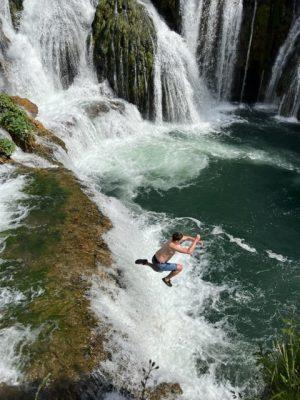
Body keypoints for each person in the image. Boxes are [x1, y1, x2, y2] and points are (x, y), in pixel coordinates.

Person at [135, 232, 203, 287]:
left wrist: (196, 241)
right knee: (179, 268)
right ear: (177, 240)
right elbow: (189, 251)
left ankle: (146, 262)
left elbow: (187, 237)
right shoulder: (173, 246)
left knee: (158, 269)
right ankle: (166, 279)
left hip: (154, 258)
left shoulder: (172, 239)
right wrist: (196, 240)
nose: (182, 240)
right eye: (180, 240)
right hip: (160, 264)